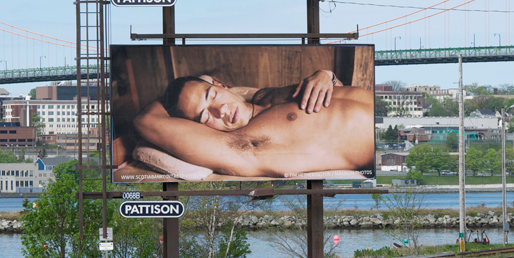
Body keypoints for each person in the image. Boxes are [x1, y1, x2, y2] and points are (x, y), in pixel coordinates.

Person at [133, 70, 373, 178]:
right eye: (206, 117)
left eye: (212, 96)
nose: (221, 110)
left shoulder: (264, 96)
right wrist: (169, 99)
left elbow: (332, 98)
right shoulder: (243, 144)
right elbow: (146, 120)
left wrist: (325, 75)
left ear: (220, 84)